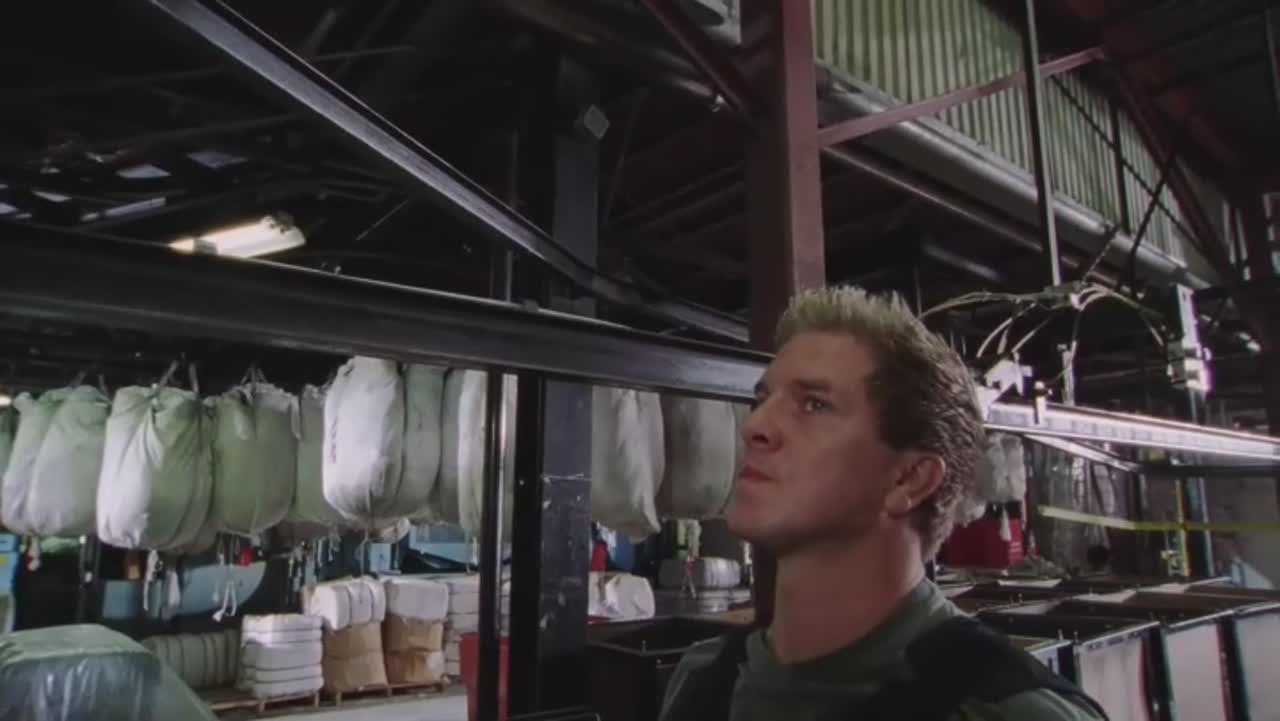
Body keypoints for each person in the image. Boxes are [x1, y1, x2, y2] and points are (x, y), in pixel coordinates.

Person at [659, 287, 1107, 721]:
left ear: (909, 478)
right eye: (762, 399)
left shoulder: (1006, 710)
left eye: (814, 404)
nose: (754, 425)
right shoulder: (704, 679)